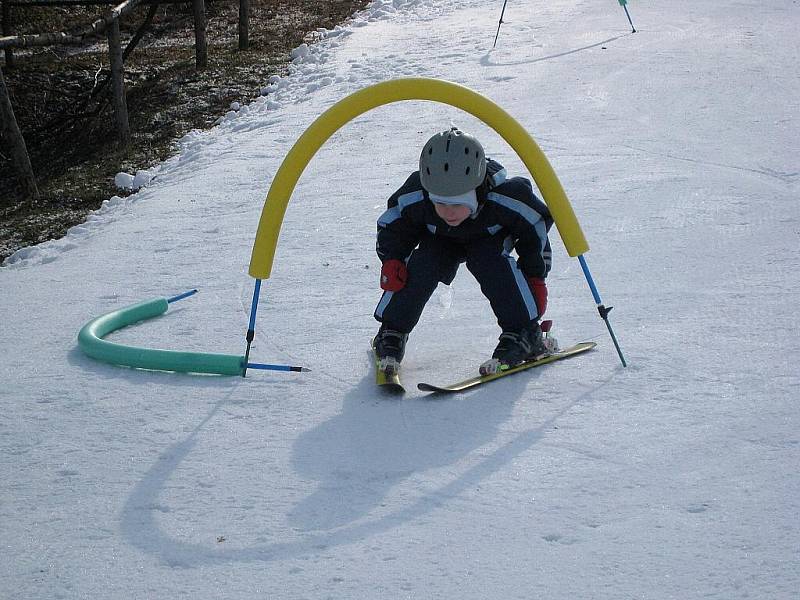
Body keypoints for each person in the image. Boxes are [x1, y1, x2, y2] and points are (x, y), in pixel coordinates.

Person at [373, 126, 554, 376]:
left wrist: (535, 276)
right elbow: (394, 223)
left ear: (476, 192)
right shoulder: (417, 196)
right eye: (440, 203)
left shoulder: (506, 198)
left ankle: (523, 332)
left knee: (491, 262)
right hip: (439, 239)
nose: (448, 212)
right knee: (424, 261)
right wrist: (392, 259)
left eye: (458, 204)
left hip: (487, 240)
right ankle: (392, 329)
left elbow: (535, 226)